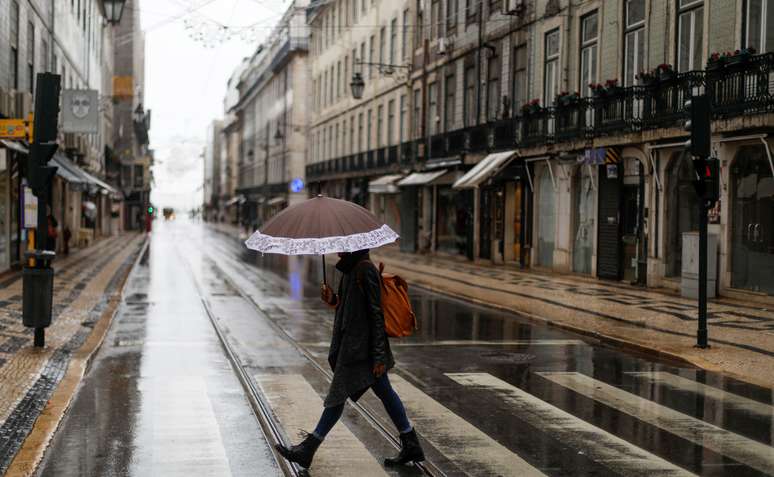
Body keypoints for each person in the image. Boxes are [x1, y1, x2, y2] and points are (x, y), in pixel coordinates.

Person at [276, 249, 425, 470]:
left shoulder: (365, 270)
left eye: (342, 247)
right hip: (355, 345)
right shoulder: (351, 269)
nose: (338, 251)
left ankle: (309, 448)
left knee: (338, 394)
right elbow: (350, 306)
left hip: (360, 350)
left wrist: (378, 356)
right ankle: (411, 442)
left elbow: (376, 314)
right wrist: (333, 299)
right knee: (384, 391)